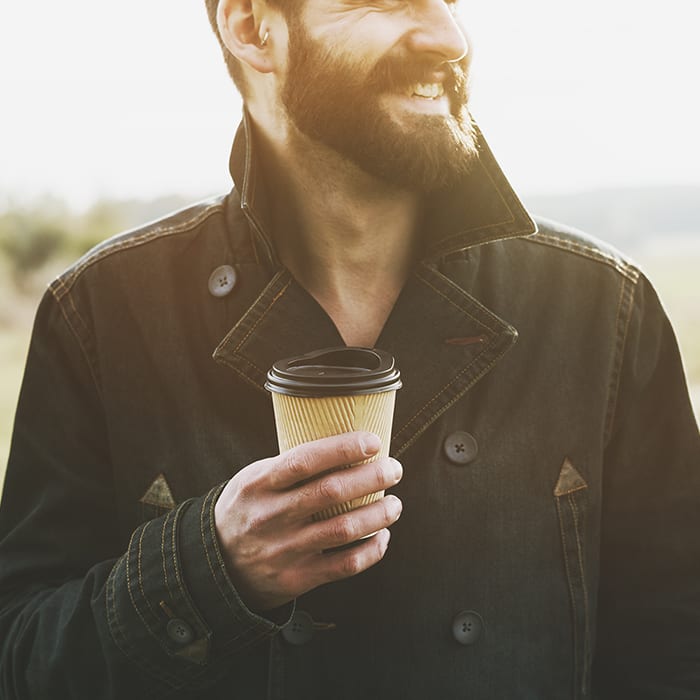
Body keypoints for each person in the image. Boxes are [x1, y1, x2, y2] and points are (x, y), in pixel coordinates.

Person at [1, 0, 699, 697]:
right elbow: (20, 656)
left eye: (452, 2)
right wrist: (206, 570)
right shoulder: (103, 312)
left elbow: (675, 654)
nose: (448, 36)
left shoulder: (603, 309)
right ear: (252, 28)